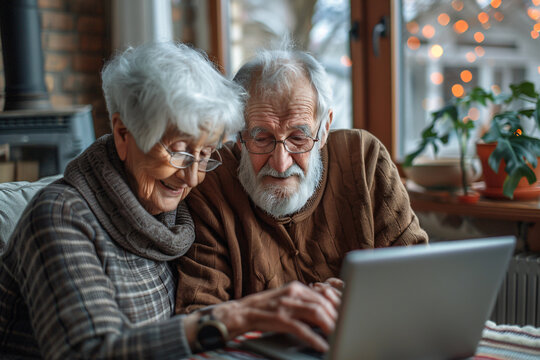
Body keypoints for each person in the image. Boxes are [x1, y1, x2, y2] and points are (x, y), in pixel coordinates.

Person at [0, 42, 339, 359]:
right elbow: (88, 351)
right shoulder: (61, 217)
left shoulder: (174, 218)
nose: (191, 178)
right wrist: (232, 316)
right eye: (178, 153)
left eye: (205, 154)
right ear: (123, 134)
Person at [176, 46, 429, 313]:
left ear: (325, 127)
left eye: (299, 138)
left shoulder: (365, 159)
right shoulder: (212, 181)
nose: (281, 163)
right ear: (239, 135)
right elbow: (198, 315)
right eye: (261, 138)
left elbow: (420, 276)